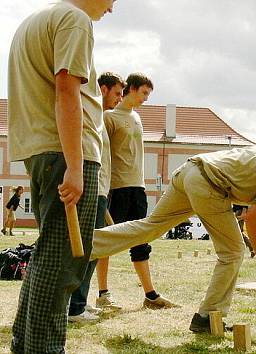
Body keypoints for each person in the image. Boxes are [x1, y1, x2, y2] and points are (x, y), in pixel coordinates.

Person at [90, 146, 256, 332]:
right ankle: (207, 317)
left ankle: (86, 244)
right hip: (209, 186)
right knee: (233, 252)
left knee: (150, 227)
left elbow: (247, 205)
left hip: (189, 171)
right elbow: (255, 216)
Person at [7, 1, 116, 352]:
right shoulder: (75, 20)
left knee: (47, 259)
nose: (112, 8)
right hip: (65, 151)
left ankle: (24, 345)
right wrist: (75, 164)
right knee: (62, 268)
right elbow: (67, 90)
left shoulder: (34, 22)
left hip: (41, 150)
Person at [100, 72, 178, 310]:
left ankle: (150, 295)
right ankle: (103, 294)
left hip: (138, 188)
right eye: (144, 92)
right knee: (107, 241)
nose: (146, 98)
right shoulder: (108, 117)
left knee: (141, 241)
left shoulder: (137, 117)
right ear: (131, 89)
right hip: (117, 188)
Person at [68, 72, 125, 322]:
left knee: (94, 248)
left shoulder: (100, 120)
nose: (120, 99)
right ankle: (75, 308)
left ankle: (80, 302)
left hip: (101, 191)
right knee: (87, 250)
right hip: (92, 189)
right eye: (117, 93)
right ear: (102, 89)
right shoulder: (89, 116)